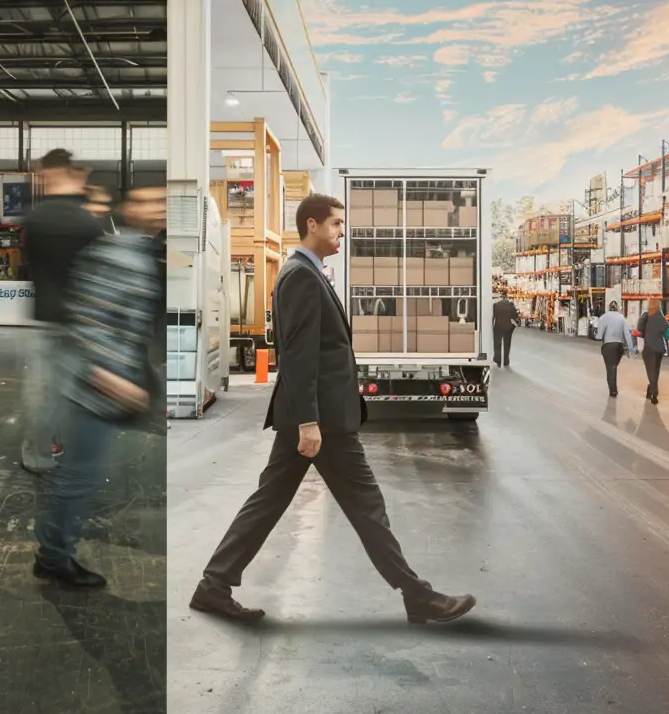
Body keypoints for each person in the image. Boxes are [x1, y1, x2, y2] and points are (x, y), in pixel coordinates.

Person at [189, 194, 475, 626]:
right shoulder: (301, 276)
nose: (342, 231)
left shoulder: (305, 272)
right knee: (365, 506)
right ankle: (418, 596)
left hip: (316, 417)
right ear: (312, 224)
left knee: (272, 501)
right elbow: (299, 355)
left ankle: (213, 586)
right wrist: (308, 422)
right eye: (336, 224)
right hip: (319, 420)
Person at [33, 172, 163, 589]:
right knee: (80, 476)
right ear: (128, 209)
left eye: (161, 200)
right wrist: (109, 377)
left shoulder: (144, 251)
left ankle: (53, 553)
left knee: (81, 473)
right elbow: (87, 319)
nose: (155, 208)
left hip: (108, 382)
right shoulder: (116, 253)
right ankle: (53, 558)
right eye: (145, 200)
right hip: (94, 387)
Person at [19, 150, 105, 475]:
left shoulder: (36, 219)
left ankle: (40, 452)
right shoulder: (88, 224)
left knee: (43, 391)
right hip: (80, 321)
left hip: (45, 317)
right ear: (69, 172)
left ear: (46, 175)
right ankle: (67, 448)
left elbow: (30, 265)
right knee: (75, 391)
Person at [590, 299, 634, 398]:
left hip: (608, 346)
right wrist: (631, 348)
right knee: (613, 366)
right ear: (617, 308)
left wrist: (593, 333)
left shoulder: (604, 317)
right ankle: (612, 387)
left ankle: (612, 389)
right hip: (619, 347)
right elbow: (627, 334)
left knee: (610, 367)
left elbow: (599, 336)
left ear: (608, 307)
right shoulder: (622, 317)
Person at [638, 297, 669, 404]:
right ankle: (650, 391)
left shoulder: (645, 317)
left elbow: (639, 332)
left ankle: (654, 394)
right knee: (655, 371)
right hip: (659, 349)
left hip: (648, 348)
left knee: (651, 372)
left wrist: (638, 346)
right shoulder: (660, 317)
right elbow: (668, 332)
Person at [490, 288, 519, 368]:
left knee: (497, 344)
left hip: (498, 326)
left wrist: (492, 325)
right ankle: (506, 361)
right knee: (507, 344)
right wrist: (514, 325)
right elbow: (515, 316)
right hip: (508, 327)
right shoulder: (511, 305)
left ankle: (498, 360)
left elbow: (493, 317)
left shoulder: (496, 305)